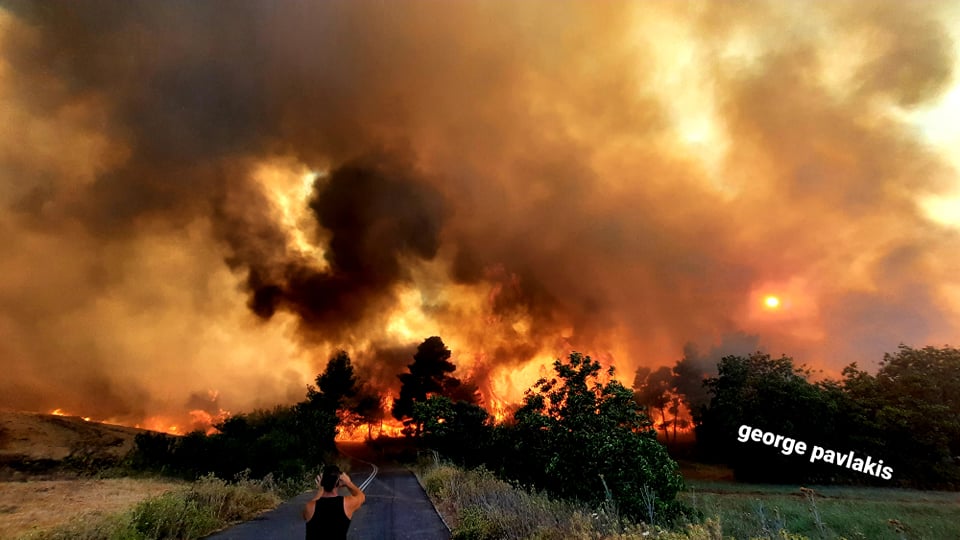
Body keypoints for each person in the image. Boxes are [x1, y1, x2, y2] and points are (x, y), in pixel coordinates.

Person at [303, 465, 365, 540]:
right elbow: (361, 497)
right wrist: (348, 483)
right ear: (337, 482)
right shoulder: (347, 503)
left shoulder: (310, 506)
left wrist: (320, 490)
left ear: (322, 481)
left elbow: (304, 516)